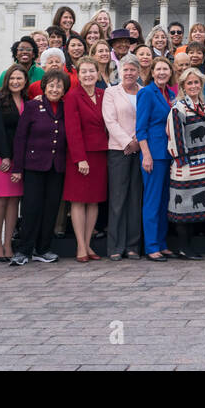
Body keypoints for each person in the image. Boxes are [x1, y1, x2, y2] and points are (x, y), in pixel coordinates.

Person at [9, 70, 68, 266]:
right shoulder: (33, 106)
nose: (55, 89)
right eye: (51, 85)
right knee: (31, 208)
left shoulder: (66, 107)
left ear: (64, 90)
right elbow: (20, 137)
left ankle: (43, 249)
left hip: (57, 165)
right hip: (34, 165)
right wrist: (17, 167)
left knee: (51, 208)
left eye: (59, 86)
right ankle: (24, 250)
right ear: (44, 87)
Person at [166, 68, 205, 260]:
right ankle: (184, 247)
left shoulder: (203, 105)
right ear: (183, 86)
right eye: (189, 83)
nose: (193, 86)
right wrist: (182, 162)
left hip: (203, 164)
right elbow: (175, 137)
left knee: (193, 210)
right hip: (186, 165)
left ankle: (190, 246)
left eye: (196, 83)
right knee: (183, 207)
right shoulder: (178, 108)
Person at [64, 60, 109, 262]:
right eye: (84, 72)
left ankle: (89, 243)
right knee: (78, 200)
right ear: (78, 75)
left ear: (98, 74)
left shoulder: (103, 95)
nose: (88, 75)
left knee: (94, 201)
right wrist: (80, 158)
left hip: (100, 153)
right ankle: (80, 245)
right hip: (80, 155)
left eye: (92, 71)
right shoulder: (72, 96)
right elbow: (72, 130)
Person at [102, 54, 144, 260]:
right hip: (119, 150)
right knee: (118, 199)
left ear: (139, 72)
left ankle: (133, 245)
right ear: (120, 72)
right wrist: (127, 142)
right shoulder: (111, 92)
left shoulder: (144, 92)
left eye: (133, 70)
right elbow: (110, 121)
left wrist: (137, 141)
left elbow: (145, 118)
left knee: (136, 198)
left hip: (141, 150)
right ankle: (116, 246)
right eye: (125, 70)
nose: (129, 73)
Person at [136, 56, 177, 261]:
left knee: (164, 202)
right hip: (154, 154)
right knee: (152, 201)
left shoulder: (170, 93)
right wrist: (146, 154)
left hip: (170, 154)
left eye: (165, 69)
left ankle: (162, 242)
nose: (162, 72)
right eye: (158, 69)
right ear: (152, 72)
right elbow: (140, 128)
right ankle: (151, 246)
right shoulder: (146, 93)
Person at [0, 65, 26, 262]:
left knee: (14, 201)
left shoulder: (27, 100)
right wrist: (5, 156)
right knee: (1, 200)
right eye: (12, 78)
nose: (15, 82)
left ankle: (8, 243)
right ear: (7, 79)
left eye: (19, 78)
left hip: (21, 159)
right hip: (1, 157)